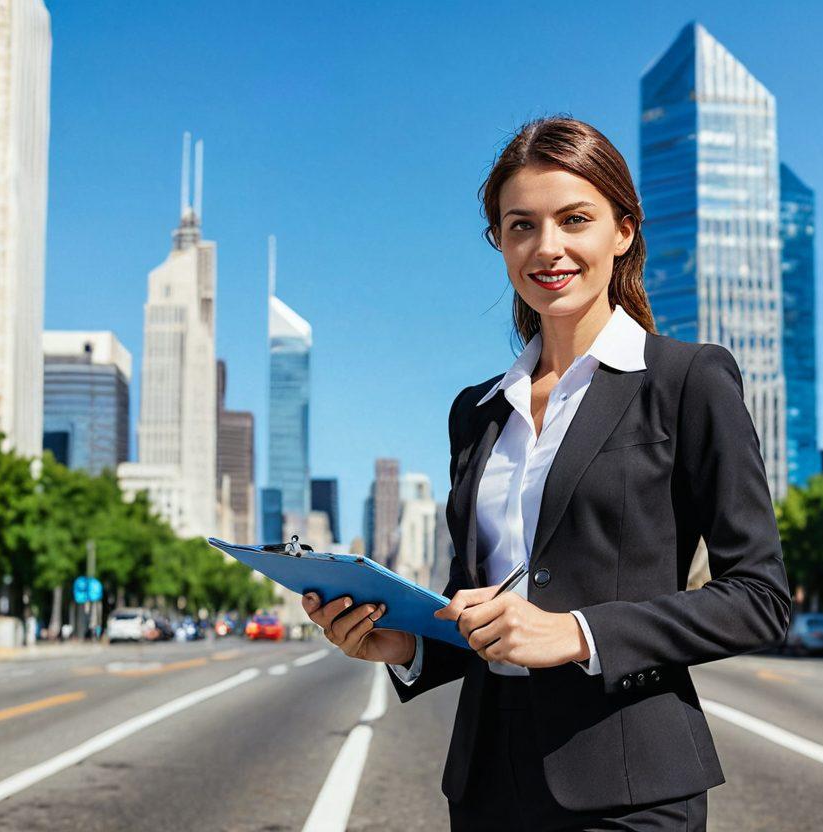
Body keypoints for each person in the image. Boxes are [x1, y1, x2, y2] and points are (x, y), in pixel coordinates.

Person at [302, 115, 791, 830]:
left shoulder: (689, 381)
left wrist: (578, 634)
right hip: (487, 782)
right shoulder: (476, 411)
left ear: (622, 231)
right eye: (521, 225)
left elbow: (759, 598)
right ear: (499, 242)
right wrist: (400, 644)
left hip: (630, 787)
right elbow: (479, 603)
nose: (548, 247)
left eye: (575, 219)